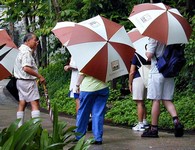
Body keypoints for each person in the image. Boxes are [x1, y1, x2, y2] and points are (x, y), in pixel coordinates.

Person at [141, 38, 184, 138]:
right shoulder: (172, 36)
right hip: (169, 71)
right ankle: (176, 122)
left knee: (156, 100)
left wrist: (147, 49)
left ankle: (154, 129)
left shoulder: (154, 36)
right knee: (167, 99)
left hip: (157, 71)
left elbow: (149, 56)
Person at [14, 32, 46, 127]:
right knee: (35, 102)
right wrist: (39, 76)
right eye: (35, 40)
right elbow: (26, 68)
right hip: (27, 82)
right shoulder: (26, 52)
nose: (37, 43)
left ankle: (19, 127)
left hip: (20, 81)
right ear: (28, 41)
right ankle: (36, 128)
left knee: (22, 103)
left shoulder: (19, 50)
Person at [75, 73, 109, 145]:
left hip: (88, 89)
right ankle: (98, 138)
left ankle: (79, 137)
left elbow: (82, 75)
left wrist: (77, 85)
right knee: (98, 113)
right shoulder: (105, 62)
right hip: (103, 88)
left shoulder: (87, 61)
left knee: (83, 113)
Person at [64, 57, 92, 131]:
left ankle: (80, 125)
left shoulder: (76, 53)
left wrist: (69, 67)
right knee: (86, 102)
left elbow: (78, 66)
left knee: (79, 102)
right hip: (86, 83)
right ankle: (88, 120)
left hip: (78, 81)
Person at [129, 52, 150, 131]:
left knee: (139, 103)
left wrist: (130, 83)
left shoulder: (136, 55)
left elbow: (132, 71)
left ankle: (140, 124)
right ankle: (144, 121)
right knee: (143, 102)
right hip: (148, 78)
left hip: (138, 79)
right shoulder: (149, 54)